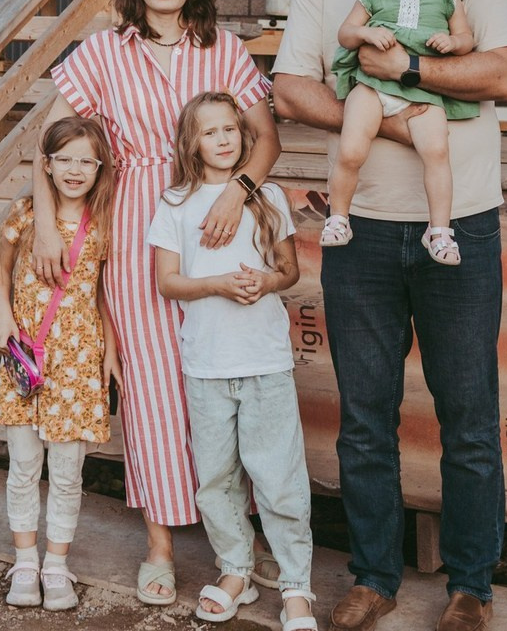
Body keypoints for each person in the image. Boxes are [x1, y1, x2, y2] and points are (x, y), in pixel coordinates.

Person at [272, 0, 507, 631]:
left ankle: (470, 587)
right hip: (357, 234)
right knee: (365, 415)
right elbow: (291, 87)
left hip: (457, 226)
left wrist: (407, 77)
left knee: (466, 412)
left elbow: (501, 76)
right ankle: (374, 576)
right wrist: (397, 125)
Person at [27, 0, 281, 605]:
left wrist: (239, 190)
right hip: (136, 223)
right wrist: (49, 222)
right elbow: (47, 141)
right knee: (152, 387)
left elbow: (265, 138)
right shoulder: (103, 53)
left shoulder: (224, 50)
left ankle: (240, 541)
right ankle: (161, 547)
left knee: (227, 376)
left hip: (219, 223)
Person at [149, 91, 316, 631]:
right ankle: (236, 569)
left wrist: (267, 280)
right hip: (207, 365)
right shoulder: (175, 203)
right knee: (216, 477)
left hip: (265, 360)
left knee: (277, 476)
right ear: (191, 143)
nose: (223, 139)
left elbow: (289, 271)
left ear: (245, 137)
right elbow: (167, 281)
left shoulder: (267, 195)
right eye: (210, 132)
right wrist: (218, 284)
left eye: (230, 129)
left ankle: (295, 584)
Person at [0, 116, 121, 611]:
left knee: (67, 473)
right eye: (64, 159)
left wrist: (110, 349)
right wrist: (2, 316)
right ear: (46, 165)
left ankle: (57, 564)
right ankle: (25, 562)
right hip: (27, 358)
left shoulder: (105, 223)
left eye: (86, 160)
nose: (74, 169)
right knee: (24, 466)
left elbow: (105, 295)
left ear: (99, 167)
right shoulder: (25, 214)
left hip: (78, 364)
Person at [326, 0, 477, 265]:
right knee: (351, 149)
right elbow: (345, 34)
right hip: (373, 89)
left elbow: (466, 38)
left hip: (422, 93)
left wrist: (452, 42)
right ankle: (338, 217)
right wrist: (366, 32)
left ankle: (439, 231)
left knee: (437, 153)